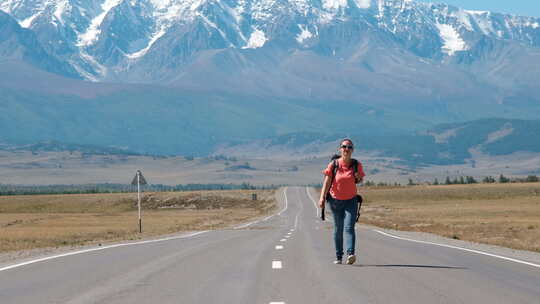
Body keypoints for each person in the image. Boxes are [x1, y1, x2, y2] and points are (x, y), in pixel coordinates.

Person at [318, 138, 365, 265]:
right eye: (344, 147)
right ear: (340, 149)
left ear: (352, 150)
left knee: (349, 227)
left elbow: (360, 180)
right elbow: (327, 182)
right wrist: (322, 197)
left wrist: (358, 177)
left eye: (349, 147)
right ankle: (339, 256)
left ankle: (351, 253)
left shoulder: (356, 165)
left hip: (351, 200)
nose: (347, 149)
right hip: (335, 201)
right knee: (338, 229)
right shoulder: (334, 165)